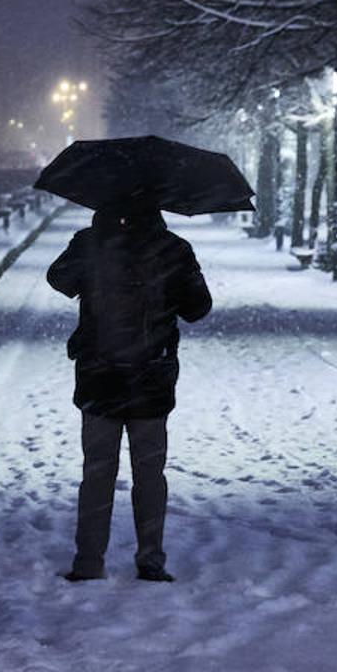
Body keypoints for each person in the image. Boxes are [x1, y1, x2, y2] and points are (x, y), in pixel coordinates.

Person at [47, 205, 212, 583]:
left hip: (98, 378)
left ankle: (89, 561)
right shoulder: (173, 249)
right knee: (150, 473)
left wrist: (93, 245)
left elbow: (57, 279)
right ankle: (150, 559)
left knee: (97, 472)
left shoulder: (91, 244)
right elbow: (198, 308)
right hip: (151, 380)